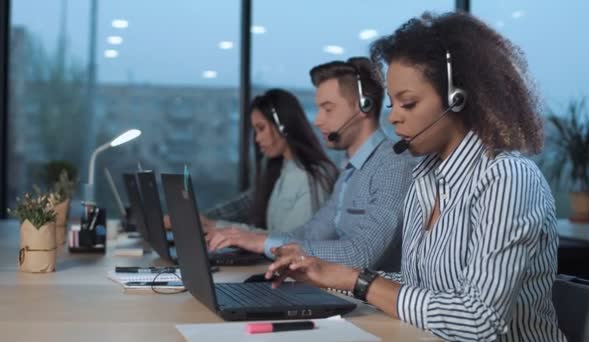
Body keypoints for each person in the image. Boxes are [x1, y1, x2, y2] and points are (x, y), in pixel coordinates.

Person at [264, 12, 566, 342]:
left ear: (458, 99)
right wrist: (329, 273)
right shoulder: (424, 177)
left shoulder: (507, 179)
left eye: (408, 103)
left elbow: (479, 321)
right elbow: (421, 289)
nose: (393, 118)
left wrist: (358, 280)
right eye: (392, 103)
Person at [207, 57, 416, 272]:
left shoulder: (393, 166)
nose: (317, 120)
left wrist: (263, 243)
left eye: (328, 109)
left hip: (370, 303)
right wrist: (252, 238)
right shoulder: (350, 172)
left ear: (365, 106)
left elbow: (360, 254)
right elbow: (310, 234)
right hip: (341, 293)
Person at [168, 88, 338, 234]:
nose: (257, 139)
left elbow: (294, 242)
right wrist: (199, 220)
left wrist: (218, 227)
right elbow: (241, 206)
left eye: (261, 128)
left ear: (283, 126)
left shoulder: (311, 176)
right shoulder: (280, 170)